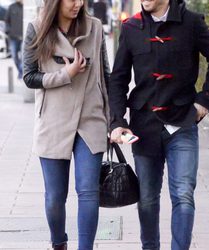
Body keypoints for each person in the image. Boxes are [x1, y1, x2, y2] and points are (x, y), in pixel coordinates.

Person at [109, 0, 209, 249]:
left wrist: (204, 100)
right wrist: (117, 121)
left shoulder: (192, 22)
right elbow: (118, 79)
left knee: (183, 195)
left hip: (182, 121)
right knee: (147, 200)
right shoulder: (131, 27)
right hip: (143, 126)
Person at [22, 0, 110, 249]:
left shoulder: (95, 27)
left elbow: (106, 74)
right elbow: (29, 76)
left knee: (89, 192)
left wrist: (114, 121)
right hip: (53, 120)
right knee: (54, 198)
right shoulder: (37, 28)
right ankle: (59, 242)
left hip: (89, 118)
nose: (79, 3)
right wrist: (66, 74)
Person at [5, 0, 23, 79]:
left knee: (24, 57)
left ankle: (22, 73)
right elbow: (7, 21)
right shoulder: (11, 7)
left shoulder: (26, 8)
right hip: (13, 38)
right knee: (14, 57)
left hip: (24, 38)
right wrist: (8, 31)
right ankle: (21, 71)